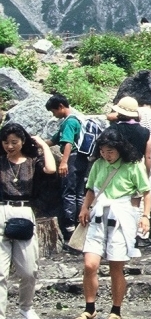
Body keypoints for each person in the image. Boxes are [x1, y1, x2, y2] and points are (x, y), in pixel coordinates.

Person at [73, 128, 151, 319]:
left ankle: (116, 309)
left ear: (119, 149)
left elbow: (145, 192)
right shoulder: (98, 164)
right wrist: (84, 208)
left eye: (110, 151)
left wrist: (145, 216)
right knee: (90, 264)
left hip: (121, 216)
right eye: (103, 151)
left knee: (116, 266)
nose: (106, 155)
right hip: (98, 214)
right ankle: (90, 307)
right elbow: (91, 189)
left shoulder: (132, 166)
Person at [0, 123, 56, 319]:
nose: (9, 146)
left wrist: (43, 145)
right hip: (1, 209)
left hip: (24, 211)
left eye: (14, 142)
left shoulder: (33, 161)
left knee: (28, 269)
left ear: (23, 141)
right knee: (0, 270)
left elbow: (51, 169)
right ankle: (0, 313)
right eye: (6, 142)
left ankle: (26, 306)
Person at [44, 93, 90, 241]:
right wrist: (38, 144)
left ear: (61, 107)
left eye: (54, 111)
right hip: (82, 160)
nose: (54, 114)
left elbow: (68, 143)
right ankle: (80, 225)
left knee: (69, 193)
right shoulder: (76, 120)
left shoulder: (69, 122)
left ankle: (70, 229)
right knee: (78, 192)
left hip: (72, 159)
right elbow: (53, 140)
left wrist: (63, 162)